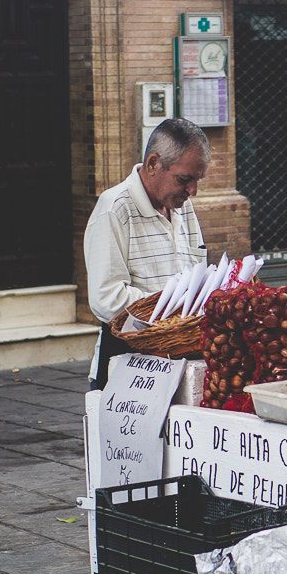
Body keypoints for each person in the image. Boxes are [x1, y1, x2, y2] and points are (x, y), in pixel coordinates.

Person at [84, 118, 211, 389]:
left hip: (179, 359)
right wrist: (173, 308)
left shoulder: (182, 207)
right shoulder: (115, 208)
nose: (193, 191)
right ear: (154, 164)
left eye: (197, 180)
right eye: (184, 179)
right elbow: (106, 298)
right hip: (128, 364)